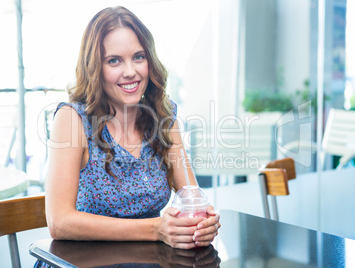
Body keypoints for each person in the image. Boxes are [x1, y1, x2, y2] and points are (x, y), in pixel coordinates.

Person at [36, 5, 221, 267]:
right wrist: (156, 229)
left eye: (138, 57)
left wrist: (203, 220)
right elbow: (60, 222)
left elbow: (190, 194)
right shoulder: (72, 119)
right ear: (94, 68)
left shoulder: (163, 116)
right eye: (114, 60)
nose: (130, 71)